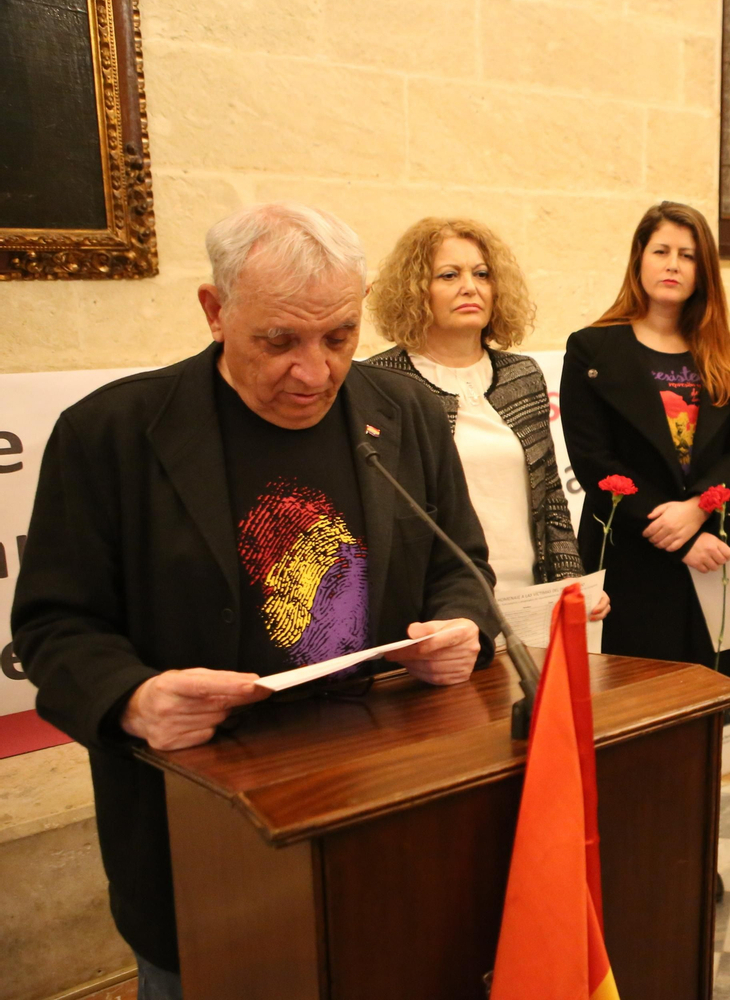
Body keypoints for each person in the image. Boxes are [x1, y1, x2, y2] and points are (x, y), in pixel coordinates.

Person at [11, 203, 498, 999]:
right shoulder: (112, 435)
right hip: (200, 845)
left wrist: (461, 626)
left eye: (339, 336)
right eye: (279, 342)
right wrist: (131, 700)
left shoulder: (403, 412)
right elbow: (54, 626)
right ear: (215, 312)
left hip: (387, 814)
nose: (314, 372)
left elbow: (458, 564)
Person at [559, 202, 730, 693]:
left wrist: (698, 511)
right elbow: (594, 463)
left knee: (710, 708)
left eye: (688, 255)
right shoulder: (593, 349)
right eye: (661, 251)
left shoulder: (724, 351)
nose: (673, 264)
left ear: (704, 272)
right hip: (631, 557)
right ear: (639, 259)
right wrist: (676, 532)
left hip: (713, 552)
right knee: (634, 707)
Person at [363, 217, 608, 619]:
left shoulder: (521, 375)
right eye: (448, 275)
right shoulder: (383, 382)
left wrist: (572, 582)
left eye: (481, 274)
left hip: (532, 600)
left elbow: (549, 498)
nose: (470, 287)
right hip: (440, 609)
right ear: (415, 290)